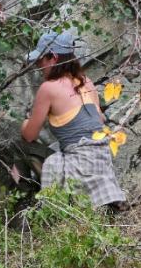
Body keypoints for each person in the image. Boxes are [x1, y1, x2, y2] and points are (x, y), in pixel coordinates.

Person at [19, 30, 126, 209]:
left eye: (40, 60)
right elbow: (98, 119)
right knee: (55, 149)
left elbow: (30, 135)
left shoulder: (48, 88)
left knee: (25, 151)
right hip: (103, 157)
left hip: (81, 162)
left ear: (53, 58)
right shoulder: (86, 81)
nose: (38, 66)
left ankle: (32, 206)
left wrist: (25, 123)